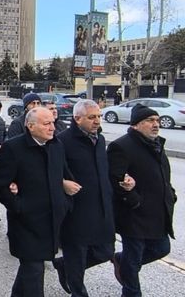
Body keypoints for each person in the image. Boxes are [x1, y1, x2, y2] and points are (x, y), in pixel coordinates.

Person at [52, 100, 134, 295]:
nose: (97, 121)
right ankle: (78, 290)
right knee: (77, 258)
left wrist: (124, 181)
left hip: (102, 207)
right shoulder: (62, 141)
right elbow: (50, 171)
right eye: (92, 117)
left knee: (106, 251)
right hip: (76, 209)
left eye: (99, 116)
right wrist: (62, 183)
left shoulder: (100, 140)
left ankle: (64, 265)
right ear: (77, 118)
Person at [0, 107, 75, 297]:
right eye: (46, 124)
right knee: (34, 270)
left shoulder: (56, 145)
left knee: (30, 271)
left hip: (52, 219)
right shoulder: (13, 148)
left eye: (52, 122)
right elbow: (0, 185)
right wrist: (19, 207)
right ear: (30, 126)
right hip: (26, 223)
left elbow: (64, 175)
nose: (52, 127)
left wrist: (65, 203)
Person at [108, 104, 177, 297]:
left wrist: (171, 194)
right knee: (134, 257)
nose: (155, 124)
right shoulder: (121, 146)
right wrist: (134, 200)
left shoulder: (156, 144)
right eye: (149, 121)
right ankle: (131, 292)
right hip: (134, 214)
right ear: (136, 125)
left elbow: (163, 175)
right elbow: (114, 179)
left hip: (157, 212)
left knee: (161, 248)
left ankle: (121, 261)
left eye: (157, 120)